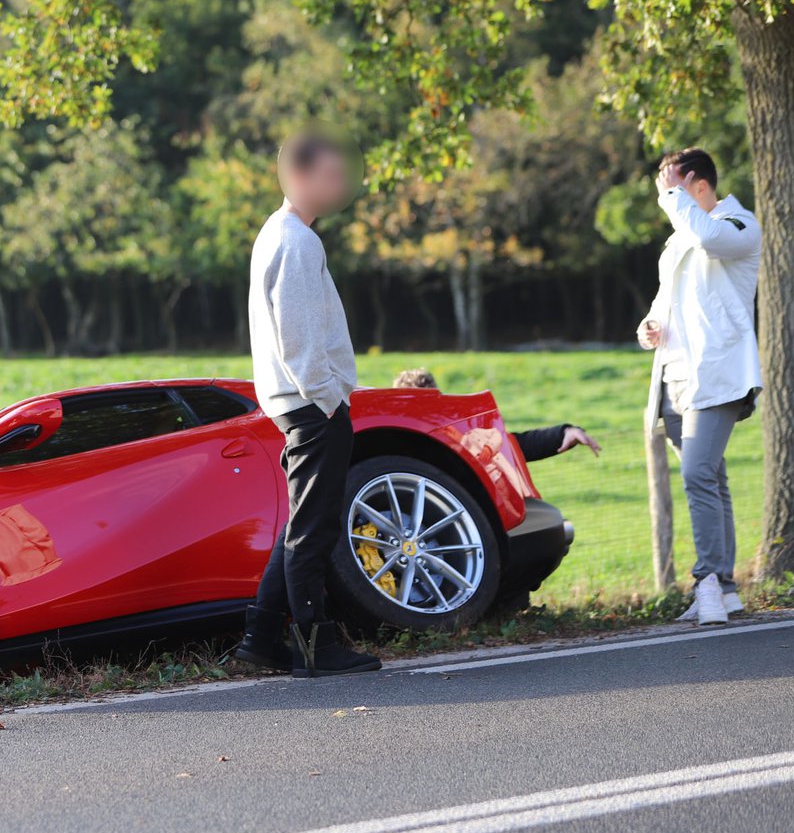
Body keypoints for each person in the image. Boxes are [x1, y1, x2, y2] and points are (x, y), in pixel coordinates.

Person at [234, 132, 380, 678]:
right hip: (310, 405)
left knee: (302, 522)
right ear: (297, 176)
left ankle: (261, 638)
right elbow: (296, 335)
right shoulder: (296, 240)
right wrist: (326, 397)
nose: (338, 184)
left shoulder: (281, 234)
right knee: (312, 530)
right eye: (329, 174)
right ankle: (317, 646)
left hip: (298, 404)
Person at [636, 147, 761, 626]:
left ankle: (707, 581)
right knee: (712, 477)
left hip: (719, 373)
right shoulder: (678, 240)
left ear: (696, 184)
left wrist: (672, 196)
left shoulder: (737, 225)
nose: (666, 201)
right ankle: (727, 589)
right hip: (675, 375)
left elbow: (709, 240)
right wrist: (648, 326)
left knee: (696, 474)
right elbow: (665, 300)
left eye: (673, 188)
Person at [389, 368, 602, 462]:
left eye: (431, 406)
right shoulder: (391, 446)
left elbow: (513, 446)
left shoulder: (459, 438)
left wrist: (564, 432)